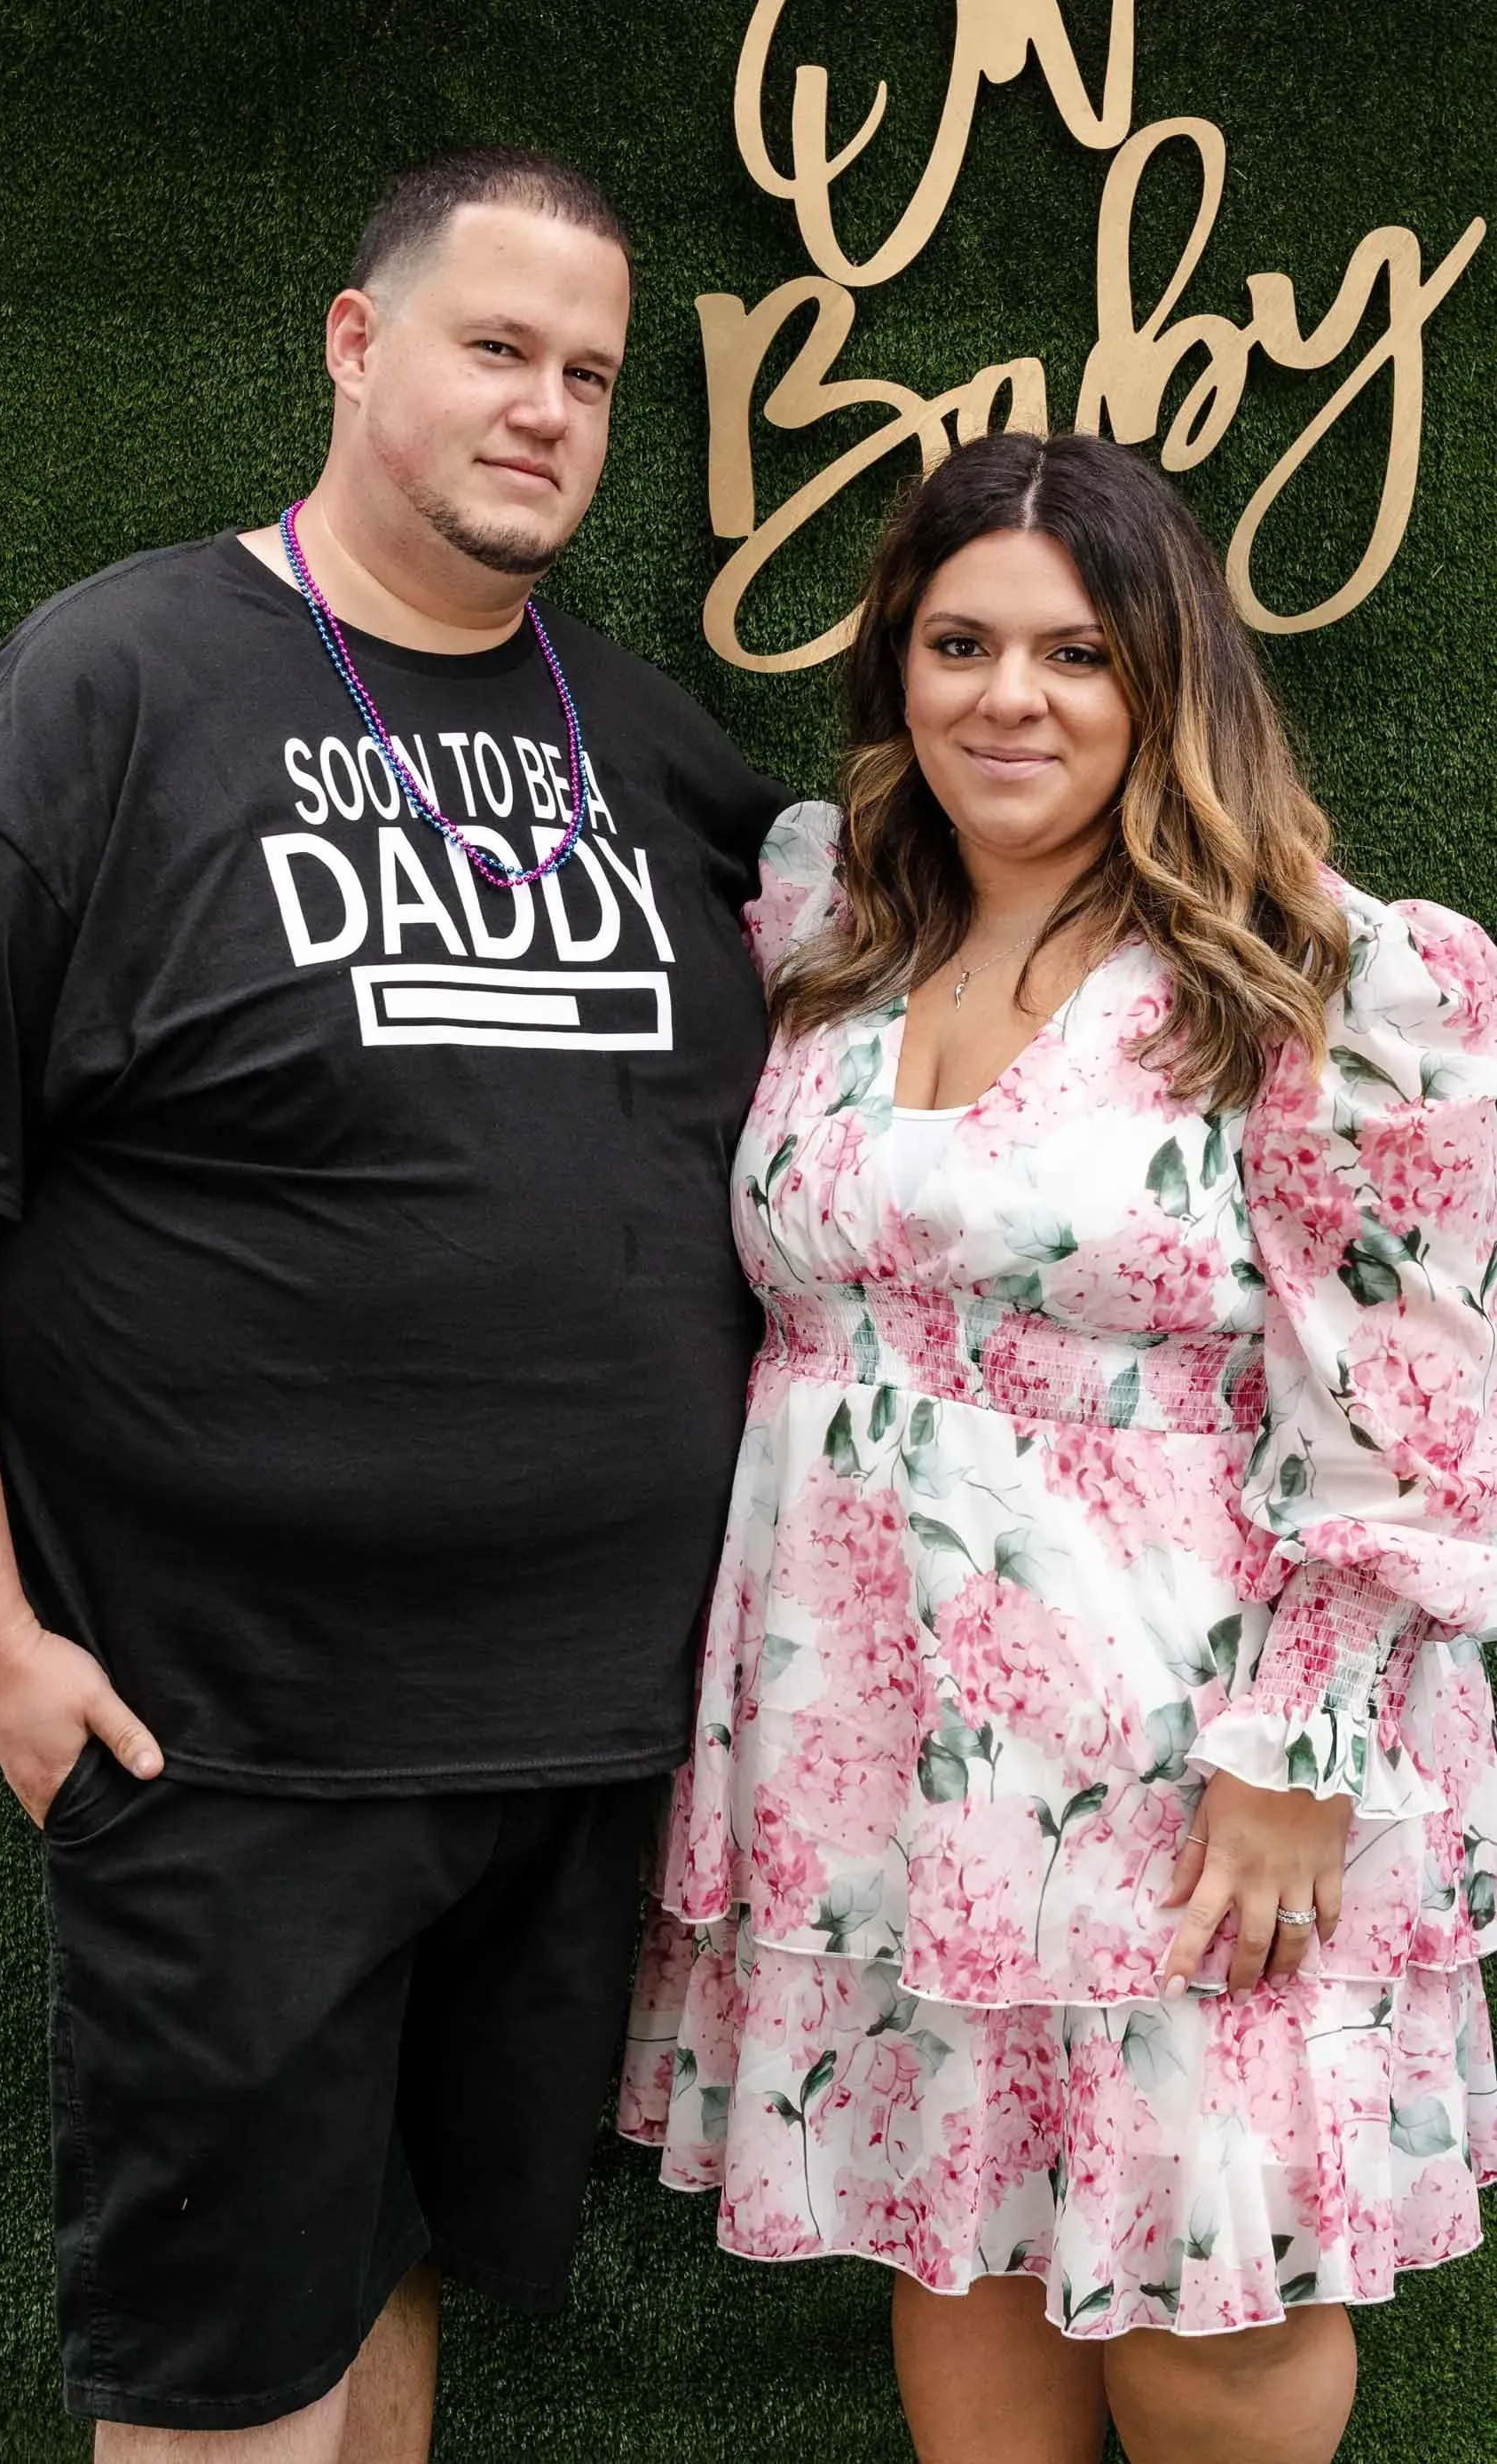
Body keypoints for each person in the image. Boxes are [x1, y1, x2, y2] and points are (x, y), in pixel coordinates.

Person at [0, 148, 785, 2460]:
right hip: (232, 1740)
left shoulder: (649, 748)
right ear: (356, 344)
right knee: (218, 2379)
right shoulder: (113, 688)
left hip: (574, 1745)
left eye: (587, 373)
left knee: (383, 2286)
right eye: (496, 346)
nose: (548, 409)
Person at [620, 429, 1497, 2464]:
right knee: (967, 2247)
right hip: (874, 1750)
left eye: (1075, 653)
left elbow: (1420, 1417)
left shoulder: (1315, 975)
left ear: (1163, 678)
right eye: (956, 642)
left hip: (1182, 1755)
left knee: (1203, 2292)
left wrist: (1296, 1757)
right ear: (893, 668)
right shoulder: (823, 925)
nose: (1006, 695)